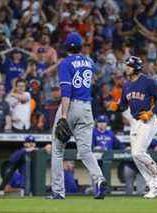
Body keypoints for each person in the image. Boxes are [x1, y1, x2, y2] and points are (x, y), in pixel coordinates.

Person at [48, 32, 106, 200]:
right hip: (86, 107)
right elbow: (94, 79)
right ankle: (99, 180)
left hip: (71, 105)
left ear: (67, 47)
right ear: (81, 46)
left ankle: (58, 192)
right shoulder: (89, 62)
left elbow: (66, 92)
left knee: (58, 151)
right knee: (86, 151)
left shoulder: (65, 63)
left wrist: (64, 115)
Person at [109, 56, 157, 199]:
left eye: (128, 66)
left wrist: (151, 112)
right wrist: (117, 107)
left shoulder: (148, 82)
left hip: (148, 120)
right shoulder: (127, 86)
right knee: (136, 156)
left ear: (136, 68)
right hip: (135, 122)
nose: (126, 68)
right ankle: (154, 186)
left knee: (137, 153)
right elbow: (124, 104)